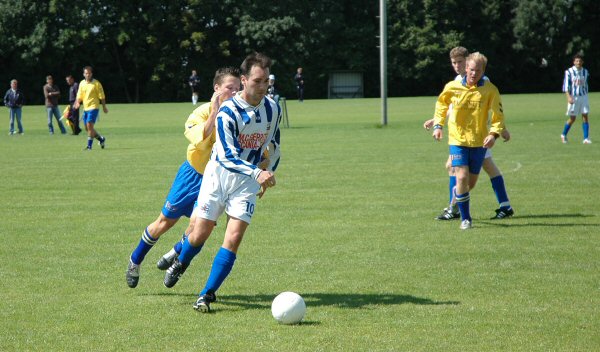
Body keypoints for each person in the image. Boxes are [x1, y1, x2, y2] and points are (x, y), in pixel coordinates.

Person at [163, 52, 282, 313]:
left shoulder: (273, 108)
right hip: (217, 178)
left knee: (234, 237)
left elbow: (273, 144)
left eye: (266, 82)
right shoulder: (228, 112)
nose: (262, 87)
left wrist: (269, 170)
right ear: (244, 80)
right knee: (199, 234)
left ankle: (206, 295)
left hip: (246, 185)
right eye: (257, 81)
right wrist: (257, 173)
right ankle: (181, 262)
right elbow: (227, 156)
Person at [126, 67, 242, 288]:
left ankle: (175, 254)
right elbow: (202, 137)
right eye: (230, 88)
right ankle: (135, 260)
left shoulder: (239, 116)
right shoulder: (200, 113)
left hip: (215, 181)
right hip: (191, 176)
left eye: (238, 89)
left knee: (199, 227)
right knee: (164, 223)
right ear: (217, 89)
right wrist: (216, 110)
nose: (235, 93)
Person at [424, 47, 513, 220]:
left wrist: (500, 130)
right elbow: (455, 107)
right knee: (476, 168)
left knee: (459, 169)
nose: (456, 66)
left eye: (459, 62)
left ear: (467, 61)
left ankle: (455, 208)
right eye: (453, 63)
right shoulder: (458, 81)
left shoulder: (482, 80)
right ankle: (503, 205)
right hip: (462, 136)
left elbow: (491, 108)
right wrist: (437, 121)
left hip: (478, 136)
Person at [73, 66, 108, 150]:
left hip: (94, 107)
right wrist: (77, 102)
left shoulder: (96, 84)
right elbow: (79, 95)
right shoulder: (82, 83)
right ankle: (101, 139)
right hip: (86, 108)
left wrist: (104, 107)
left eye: (89, 73)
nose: (87, 75)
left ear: (91, 74)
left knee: (89, 125)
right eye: (86, 73)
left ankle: (89, 146)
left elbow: (102, 97)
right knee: (87, 128)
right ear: (83, 74)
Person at [561, 54, 591, 144]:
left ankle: (586, 138)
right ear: (574, 62)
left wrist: (585, 94)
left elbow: (585, 84)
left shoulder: (585, 72)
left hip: (584, 96)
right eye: (576, 61)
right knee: (572, 118)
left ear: (582, 62)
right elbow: (566, 86)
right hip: (574, 97)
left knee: (585, 116)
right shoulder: (569, 72)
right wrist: (568, 97)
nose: (578, 62)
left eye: (580, 61)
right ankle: (563, 135)